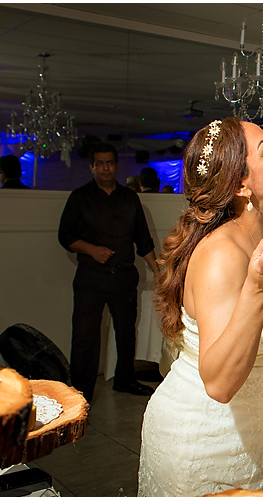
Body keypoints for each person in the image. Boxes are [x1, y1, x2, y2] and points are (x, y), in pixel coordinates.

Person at [137, 118, 263, 497]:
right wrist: (259, 290)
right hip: (208, 449)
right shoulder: (221, 255)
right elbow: (218, 382)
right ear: (240, 186)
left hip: (254, 448)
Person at [58, 143, 158, 401]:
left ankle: (125, 379)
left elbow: (143, 241)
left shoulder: (130, 199)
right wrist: (91, 249)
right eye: (100, 163)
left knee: (126, 332)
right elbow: (65, 236)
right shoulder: (79, 198)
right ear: (92, 167)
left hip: (124, 277)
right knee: (84, 337)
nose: (105, 168)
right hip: (90, 278)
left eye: (110, 163)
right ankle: (80, 392)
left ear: (116, 165)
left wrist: (159, 272)